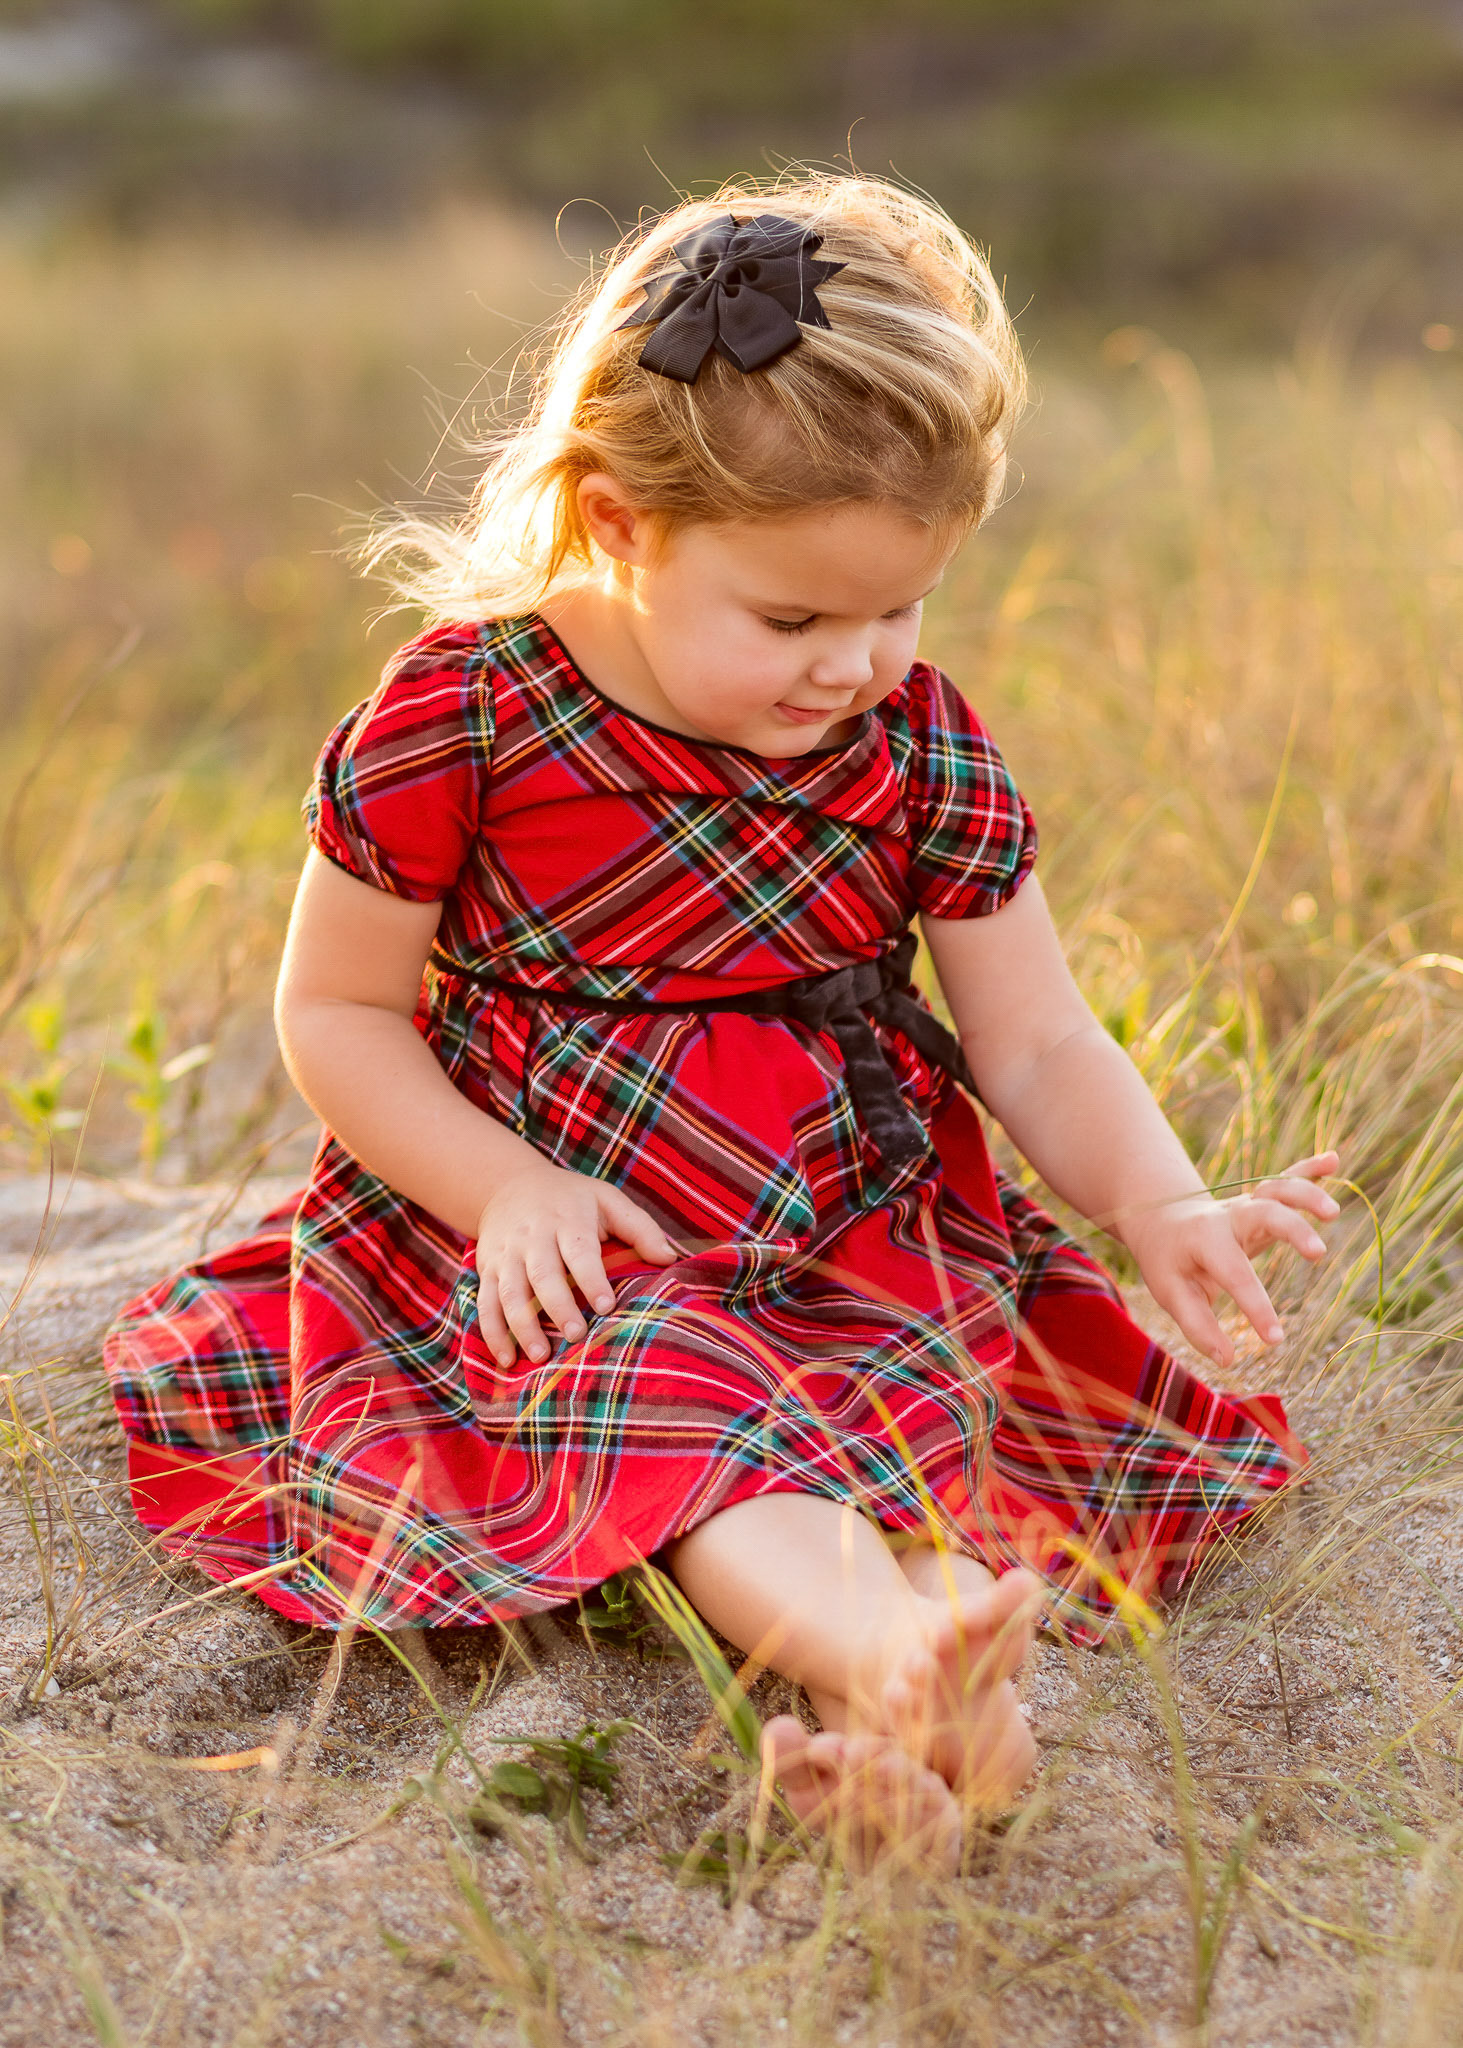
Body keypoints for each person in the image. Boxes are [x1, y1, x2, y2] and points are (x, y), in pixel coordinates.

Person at [104, 177, 1338, 1869]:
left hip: (850, 1213)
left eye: (901, 611)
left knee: (940, 1438)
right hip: (580, 1214)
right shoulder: (464, 714)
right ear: (617, 523)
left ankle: (950, 1713)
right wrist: (500, 1189)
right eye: (793, 619)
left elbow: (1040, 1040)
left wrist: (1162, 1202)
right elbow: (336, 1013)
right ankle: (882, 1663)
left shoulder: (918, 744)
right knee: (681, 1406)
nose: (854, 665)